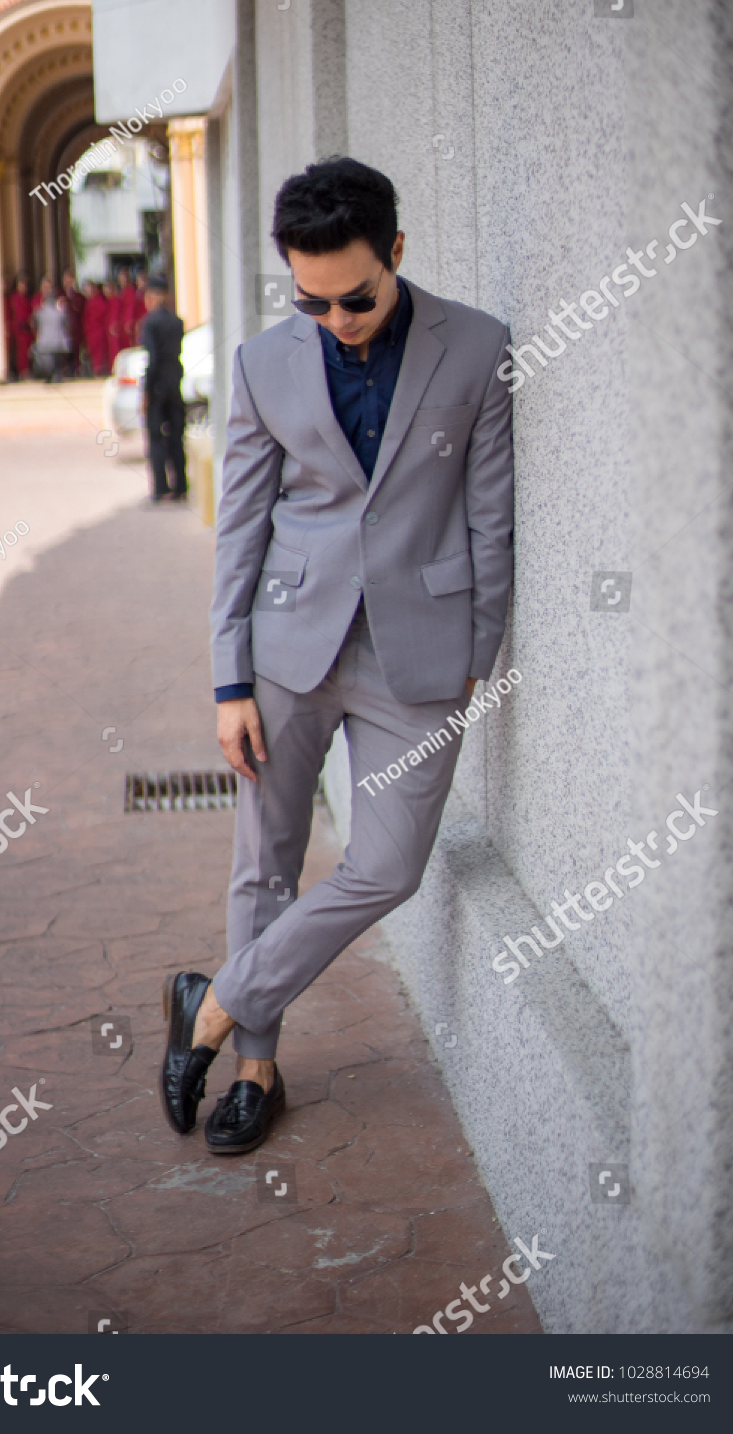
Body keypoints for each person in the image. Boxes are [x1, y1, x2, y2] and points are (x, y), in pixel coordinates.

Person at [160, 157, 513, 1153]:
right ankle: (255, 1069)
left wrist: (478, 649)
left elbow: (490, 517)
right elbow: (242, 526)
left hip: (421, 654)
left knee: (387, 865)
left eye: (353, 298)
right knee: (262, 860)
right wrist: (229, 677)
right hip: (285, 651)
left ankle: (213, 1001)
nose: (334, 319)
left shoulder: (477, 348)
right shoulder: (261, 363)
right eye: (309, 301)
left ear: (395, 252)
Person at [139, 276, 187, 503]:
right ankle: (180, 486)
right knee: (176, 436)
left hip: (158, 385)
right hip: (174, 383)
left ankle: (160, 487)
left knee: (156, 437)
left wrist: (147, 391)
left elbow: (153, 358)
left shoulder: (150, 323)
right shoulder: (177, 321)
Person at [31, 276, 72, 382]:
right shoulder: (60, 313)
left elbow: (34, 323)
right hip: (58, 341)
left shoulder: (40, 312)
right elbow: (67, 324)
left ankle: (49, 377)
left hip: (45, 341)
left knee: (48, 362)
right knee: (57, 361)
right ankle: (56, 376)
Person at [9, 274, 34, 380]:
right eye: (21, 284)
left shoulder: (27, 298)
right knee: (21, 351)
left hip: (28, 329)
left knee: (28, 351)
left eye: (25, 285)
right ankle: (22, 371)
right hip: (20, 328)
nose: (23, 287)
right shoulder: (15, 298)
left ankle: (27, 370)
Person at [82, 281, 110, 376]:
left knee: (98, 353)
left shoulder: (98, 301)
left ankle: (99, 371)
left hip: (97, 332)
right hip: (91, 332)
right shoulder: (90, 302)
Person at [61, 269, 85, 377]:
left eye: (70, 280)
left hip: (75, 328)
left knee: (75, 350)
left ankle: (76, 370)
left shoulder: (78, 296)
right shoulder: (60, 295)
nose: (68, 282)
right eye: (66, 280)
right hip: (63, 328)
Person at [103, 276, 122, 370]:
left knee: (115, 349)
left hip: (114, 331)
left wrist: (113, 326)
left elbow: (115, 314)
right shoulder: (108, 301)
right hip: (109, 331)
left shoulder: (115, 300)